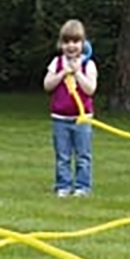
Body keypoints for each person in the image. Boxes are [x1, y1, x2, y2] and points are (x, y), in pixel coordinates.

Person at [44, 20, 98, 196]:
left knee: (83, 155)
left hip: (82, 118)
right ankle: (63, 185)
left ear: (83, 44)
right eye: (66, 42)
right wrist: (62, 73)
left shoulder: (88, 65)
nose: (71, 46)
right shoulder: (57, 62)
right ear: (61, 44)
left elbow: (90, 89)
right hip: (60, 118)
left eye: (75, 42)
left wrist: (77, 73)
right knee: (63, 155)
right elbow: (47, 85)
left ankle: (82, 186)